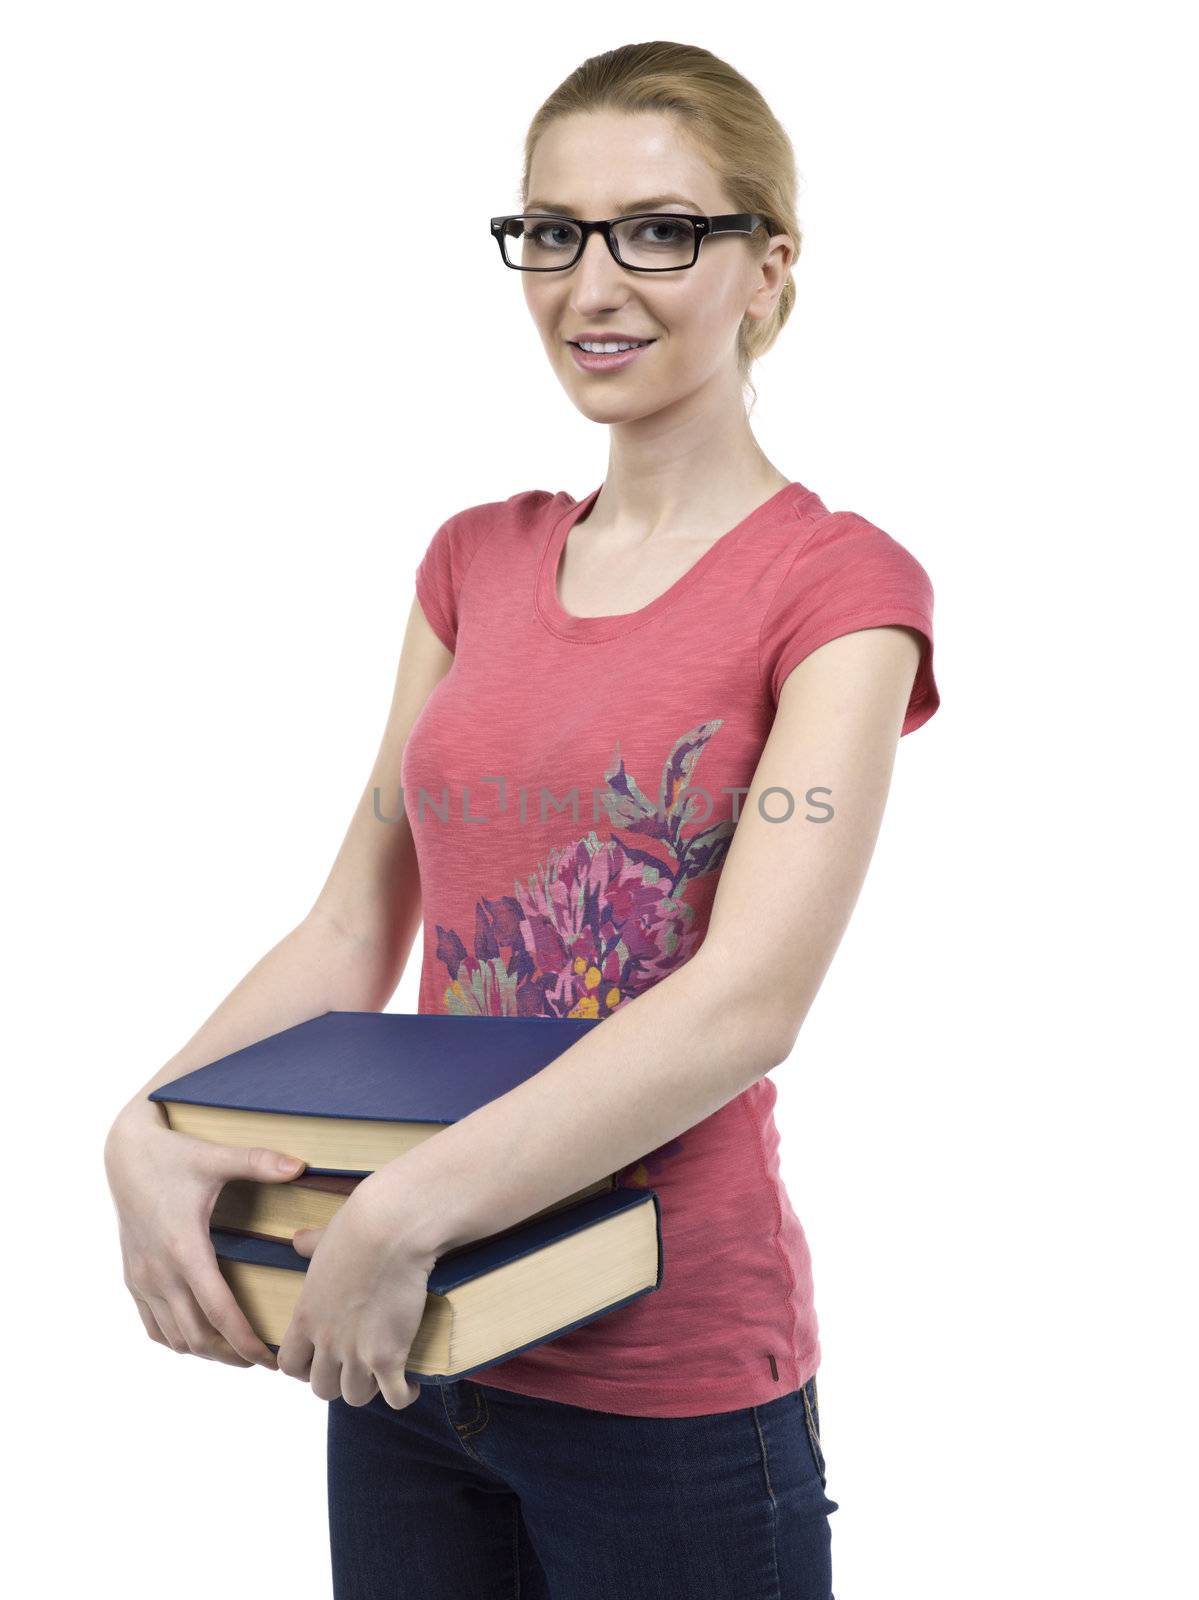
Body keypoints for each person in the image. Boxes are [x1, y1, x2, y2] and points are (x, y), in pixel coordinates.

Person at [104, 39, 940, 1600]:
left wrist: (408, 1207)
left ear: (769, 265)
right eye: (551, 232)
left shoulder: (841, 591)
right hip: (412, 1335)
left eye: (659, 230)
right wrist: (155, 1121)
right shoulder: (471, 562)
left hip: (664, 1380)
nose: (592, 282)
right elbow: (356, 921)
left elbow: (748, 1002)